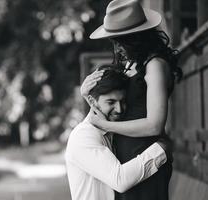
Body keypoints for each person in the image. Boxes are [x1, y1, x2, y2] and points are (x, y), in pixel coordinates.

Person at [81, 0, 182, 200]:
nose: (117, 47)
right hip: (122, 161)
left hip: (146, 156)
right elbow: (110, 104)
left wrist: (106, 125)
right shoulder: (129, 65)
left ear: (136, 38)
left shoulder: (155, 65)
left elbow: (154, 125)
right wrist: (86, 94)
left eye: (121, 41)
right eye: (114, 41)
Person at [65, 68, 169, 200]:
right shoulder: (83, 135)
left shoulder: (110, 131)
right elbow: (120, 179)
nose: (119, 109)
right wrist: (161, 148)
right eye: (111, 102)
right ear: (92, 101)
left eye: (123, 101)